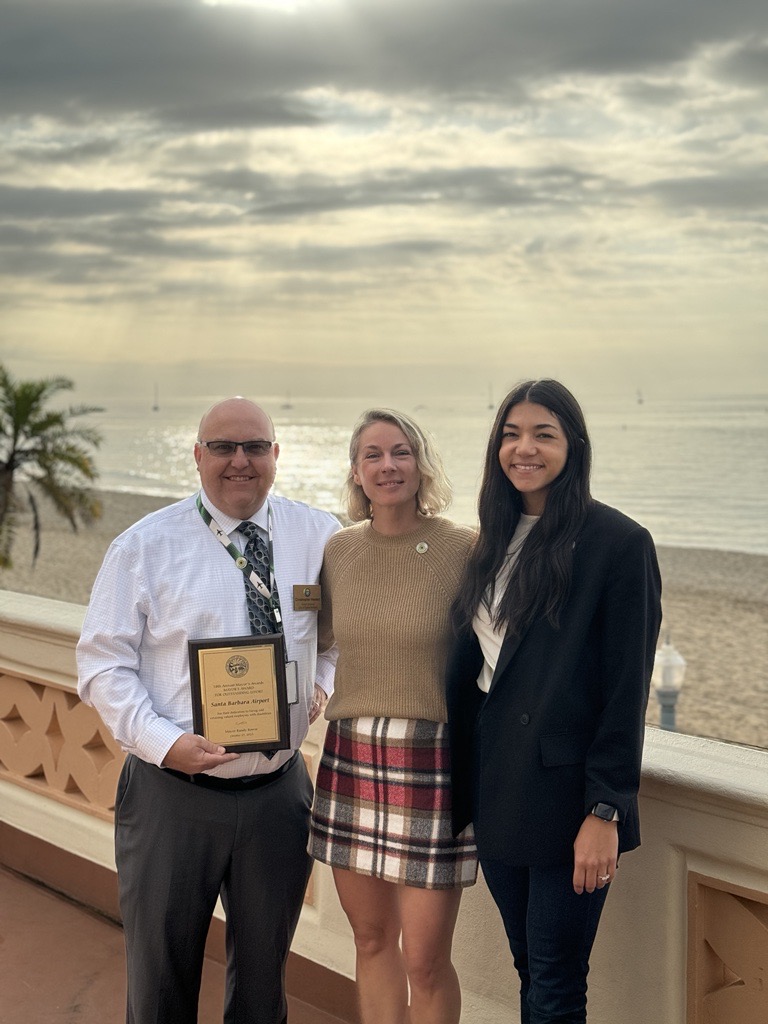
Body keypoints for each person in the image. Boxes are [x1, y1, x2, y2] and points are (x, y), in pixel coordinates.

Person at [77, 397, 340, 1024]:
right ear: (197, 456)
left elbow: (335, 637)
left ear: (277, 454)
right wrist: (165, 743)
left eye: (254, 447)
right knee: (162, 977)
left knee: (262, 982)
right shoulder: (143, 546)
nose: (239, 461)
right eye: (222, 447)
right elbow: (101, 665)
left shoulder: (320, 536)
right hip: (174, 795)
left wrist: (320, 688)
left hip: (279, 795)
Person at [447, 379, 662, 1024]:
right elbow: (482, 670)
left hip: (569, 799)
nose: (524, 449)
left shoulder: (618, 545)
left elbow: (627, 691)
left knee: (558, 978)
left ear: (574, 445)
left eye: (544, 434)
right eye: (511, 435)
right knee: (530, 969)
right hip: (498, 789)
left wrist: (606, 809)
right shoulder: (491, 540)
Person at [308, 409, 478, 1024]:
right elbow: (313, 637)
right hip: (352, 753)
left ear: (420, 463)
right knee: (371, 940)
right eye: (374, 455)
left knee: (425, 960)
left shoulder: (464, 547)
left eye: (401, 452)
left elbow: (503, 646)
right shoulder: (339, 550)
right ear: (356, 471)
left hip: (432, 761)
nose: (388, 466)